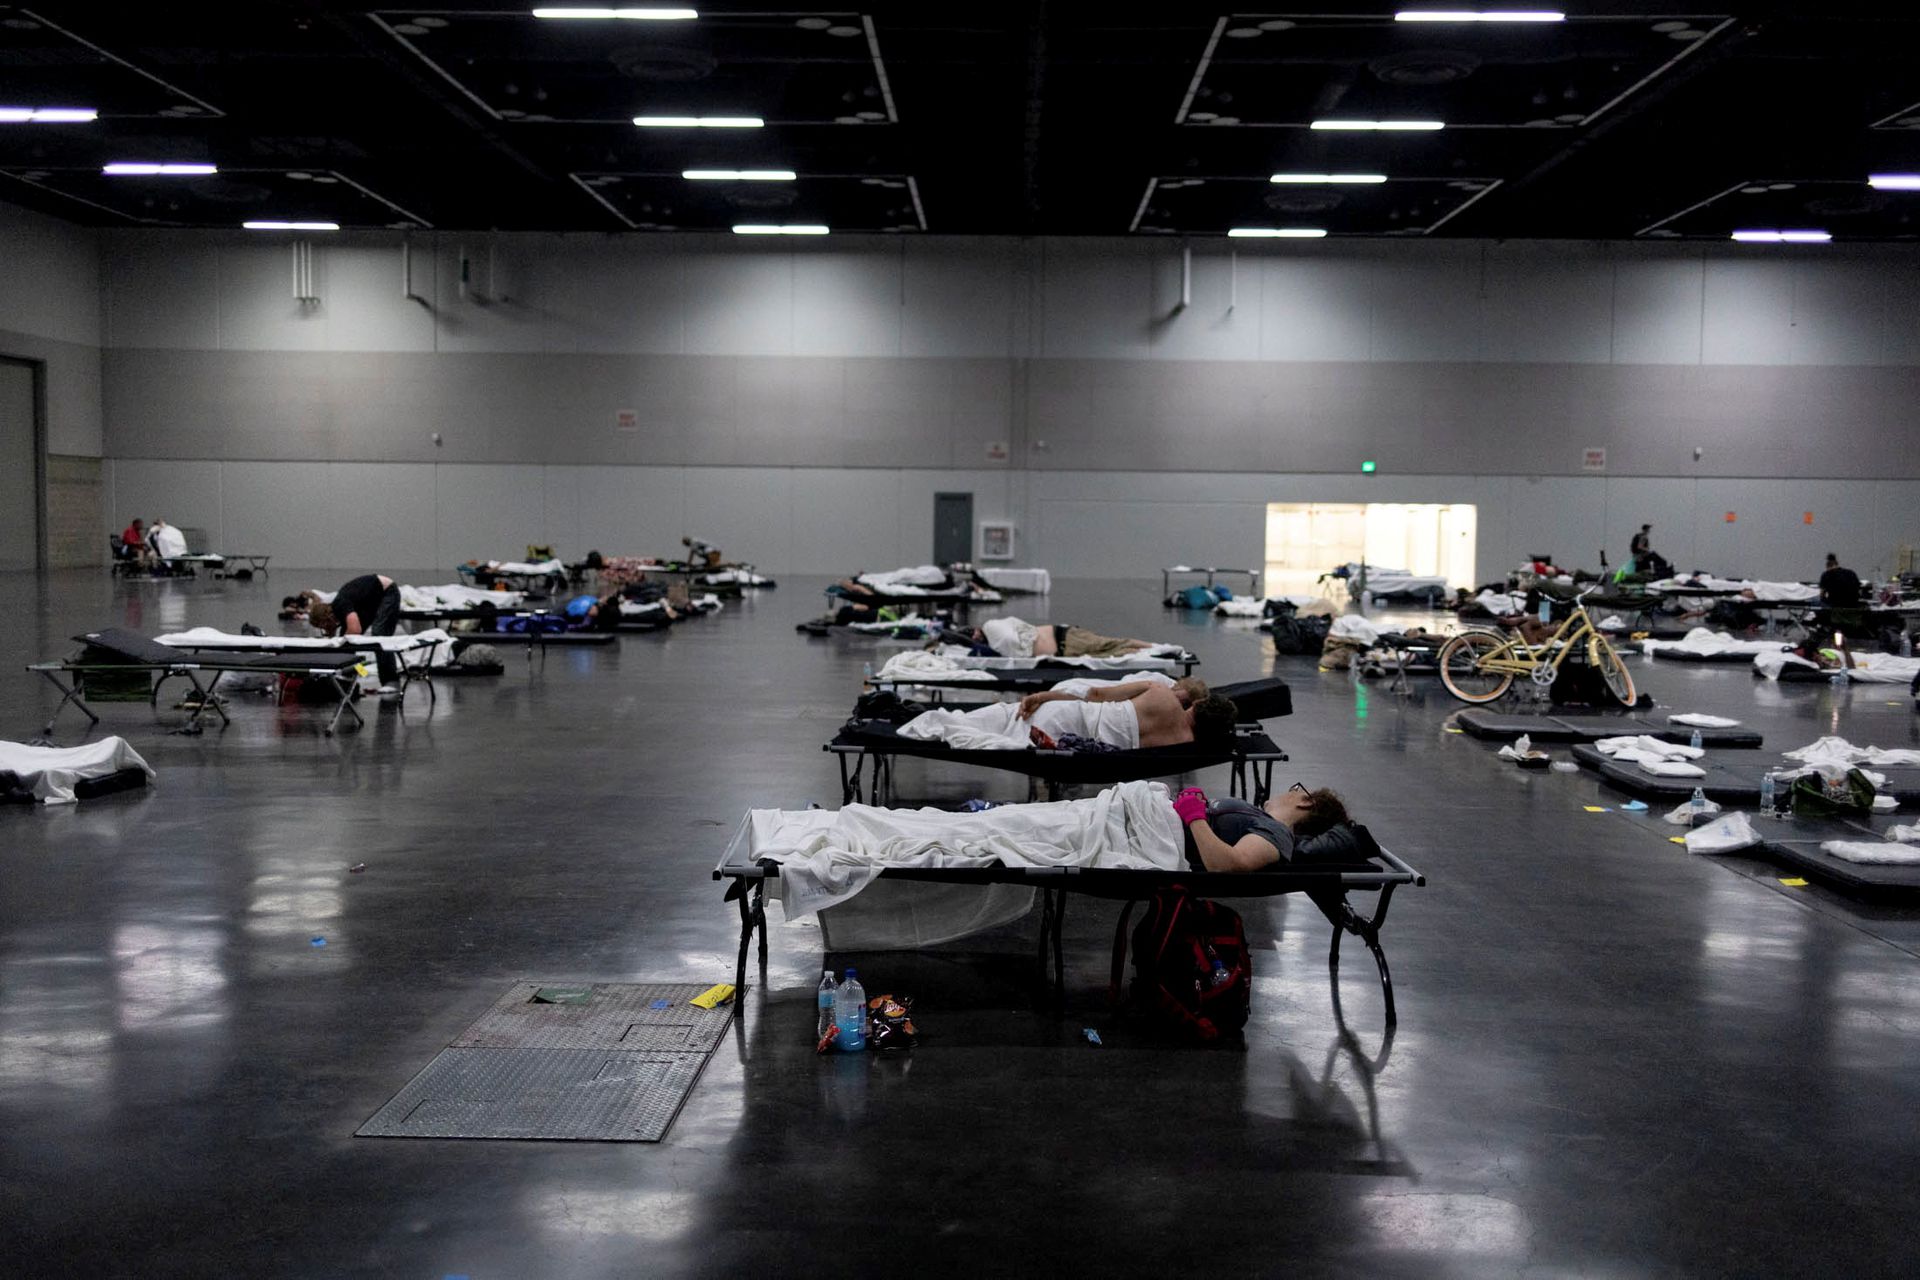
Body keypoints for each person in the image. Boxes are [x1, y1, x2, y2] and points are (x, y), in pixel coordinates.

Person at [1173, 782, 1351, 873]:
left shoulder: (1278, 832)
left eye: (1297, 789)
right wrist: (1199, 804)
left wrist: (1194, 816)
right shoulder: (1263, 819)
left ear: (1306, 802)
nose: (1290, 791)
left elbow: (1227, 864)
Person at [1013, 681, 1237, 750]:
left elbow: (1095, 694)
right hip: (1081, 745)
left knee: (1006, 722)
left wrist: (1042, 696)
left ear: (1197, 703)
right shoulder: (1184, 743)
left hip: (1068, 716)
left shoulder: (1161, 693)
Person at [307, 574, 403, 693]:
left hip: (387, 592)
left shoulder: (340, 604)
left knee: (379, 635)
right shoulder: (340, 612)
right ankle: (351, 679)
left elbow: (355, 630)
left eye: (324, 627)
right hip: (372, 598)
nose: (326, 630)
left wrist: (339, 643)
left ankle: (391, 681)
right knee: (346, 646)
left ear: (326, 619)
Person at [979, 616, 1161, 659]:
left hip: (1066, 638)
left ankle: (1159, 647)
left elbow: (1011, 640)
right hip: (1064, 652)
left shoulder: (991, 627)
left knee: (1111, 643)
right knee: (1116, 653)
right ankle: (1154, 654)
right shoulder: (990, 646)